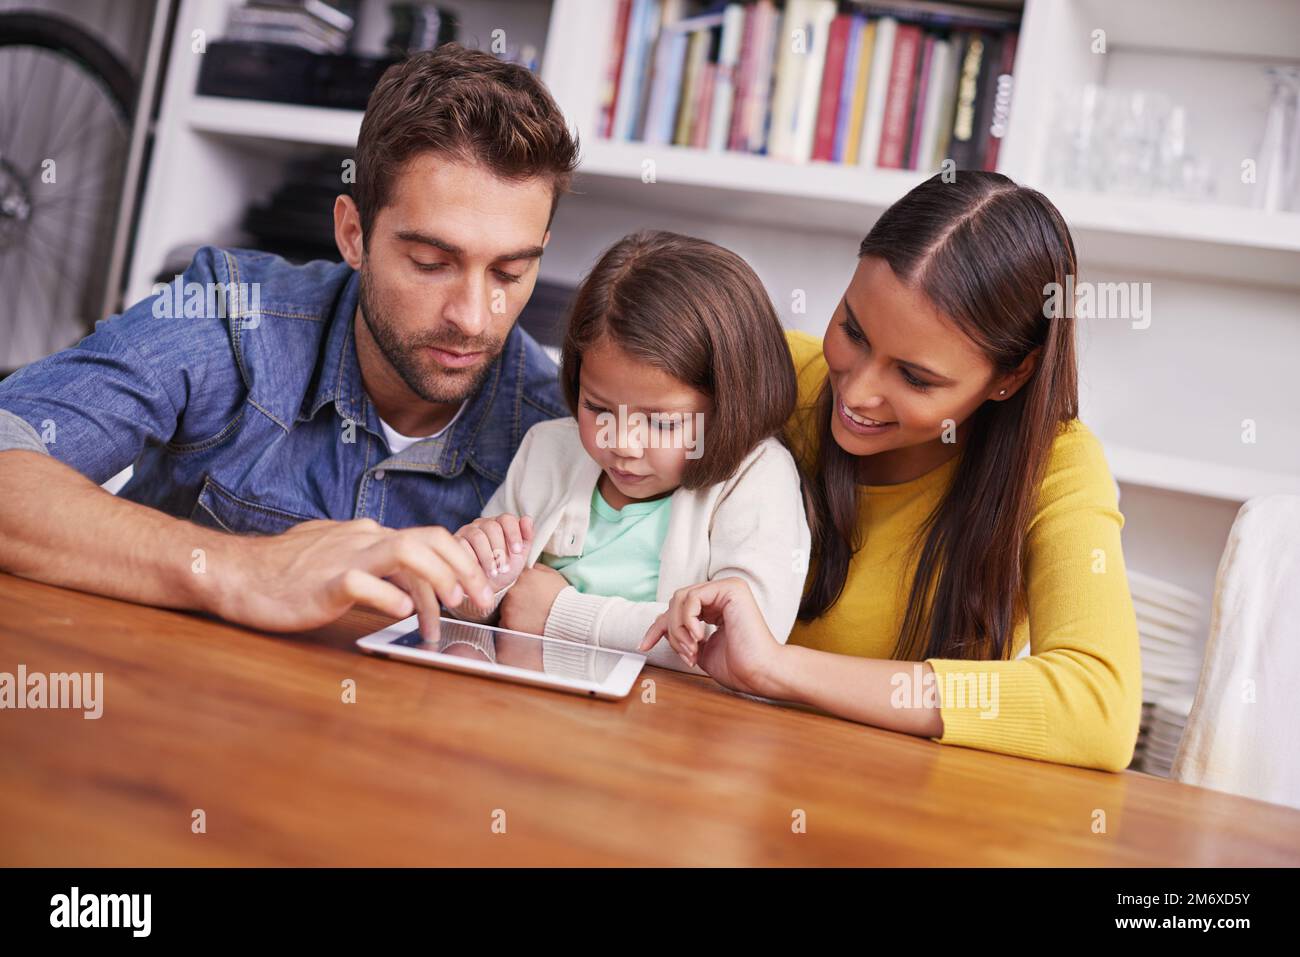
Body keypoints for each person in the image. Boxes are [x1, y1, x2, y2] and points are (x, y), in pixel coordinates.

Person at [0, 44, 579, 640]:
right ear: (353, 235)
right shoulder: (228, 315)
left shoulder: (564, 436)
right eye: (431, 262)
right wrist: (242, 569)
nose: (474, 318)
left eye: (509, 273)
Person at [642, 172, 1143, 772]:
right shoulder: (770, 372)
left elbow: (1098, 711)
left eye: (915, 378)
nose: (856, 391)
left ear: (1011, 376)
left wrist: (777, 668)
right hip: (694, 768)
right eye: (853, 330)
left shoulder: (1054, 464)